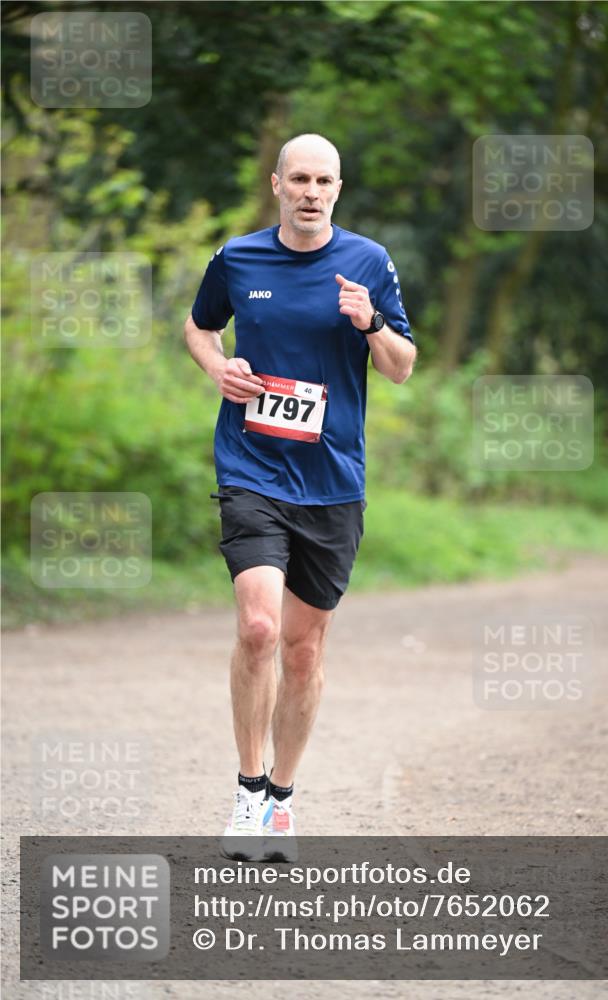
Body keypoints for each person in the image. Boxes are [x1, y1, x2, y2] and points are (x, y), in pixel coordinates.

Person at [184, 133, 415, 861]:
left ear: (337, 189)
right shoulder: (237, 258)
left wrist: (370, 323)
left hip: (331, 483)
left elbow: (403, 367)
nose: (312, 191)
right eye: (300, 179)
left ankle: (282, 798)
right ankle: (247, 789)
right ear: (277, 184)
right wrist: (217, 367)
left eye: (325, 180)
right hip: (251, 467)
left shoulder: (367, 264)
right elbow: (198, 326)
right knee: (257, 628)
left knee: (304, 650)